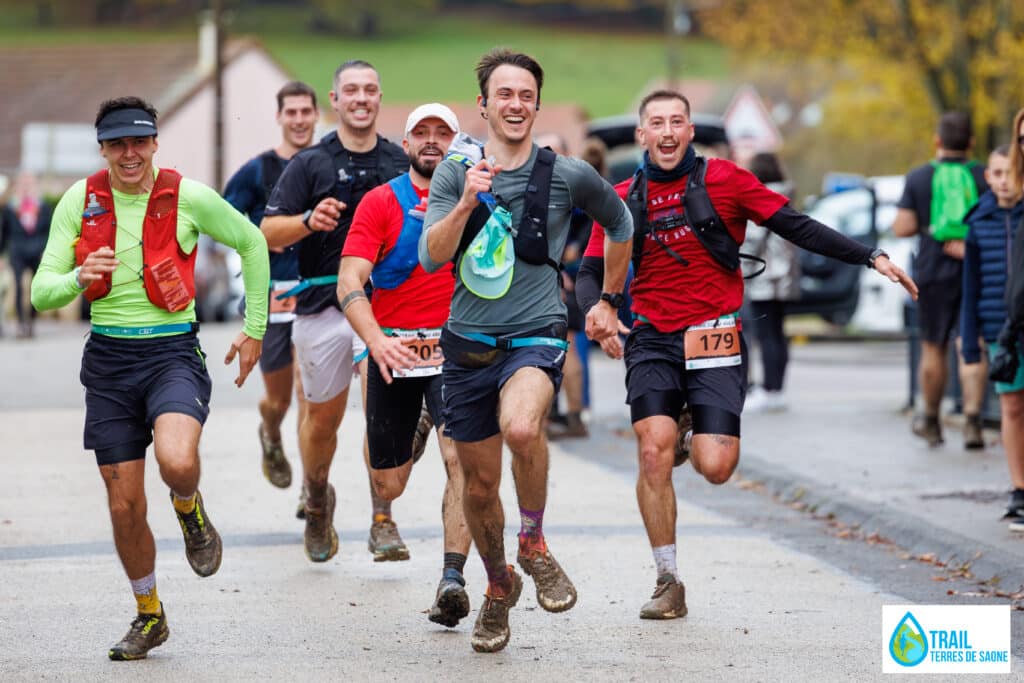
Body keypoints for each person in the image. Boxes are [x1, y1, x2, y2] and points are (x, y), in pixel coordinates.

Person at [575, 89, 916, 621]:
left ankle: (689, 432)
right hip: (653, 336)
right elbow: (590, 270)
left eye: (677, 122)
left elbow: (795, 224)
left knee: (716, 466)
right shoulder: (619, 199)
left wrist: (871, 255)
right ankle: (668, 579)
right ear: (642, 134)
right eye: (656, 123)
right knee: (651, 450)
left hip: (714, 333)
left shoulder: (728, 180)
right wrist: (597, 309)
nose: (667, 132)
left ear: (690, 131)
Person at [30, 96, 268, 659]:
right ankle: (149, 614)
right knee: (124, 506)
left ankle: (189, 509)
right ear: (103, 149)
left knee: (177, 461)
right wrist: (77, 277)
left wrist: (254, 328)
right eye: (117, 144)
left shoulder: (188, 196)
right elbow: (41, 292)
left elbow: (252, 242)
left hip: (171, 354)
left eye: (139, 141)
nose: (130, 153)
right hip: (109, 361)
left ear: (156, 143)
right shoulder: (80, 200)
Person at [419, 48, 633, 653]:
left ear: (537, 105)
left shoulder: (567, 174)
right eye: (504, 95)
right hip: (468, 343)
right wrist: (467, 201)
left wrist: (608, 298)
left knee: (520, 427)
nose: (515, 105)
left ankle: (533, 541)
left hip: (537, 332)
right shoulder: (454, 174)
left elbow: (620, 223)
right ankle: (497, 586)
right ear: (483, 105)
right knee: (479, 488)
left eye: (526, 96)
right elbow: (430, 256)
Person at [261, 60, 409, 563]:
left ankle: (382, 520)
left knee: (381, 416)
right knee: (322, 422)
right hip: (322, 308)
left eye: (370, 89)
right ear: (336, 100)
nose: (361, 98)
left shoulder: (399, 161)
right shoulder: (310, 163)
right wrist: (308, 220)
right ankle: (318, 499)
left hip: (384, 309)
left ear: (380, 97)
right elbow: (268, 232)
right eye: (352, 90)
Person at [338, 102, 474, 627]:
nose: (433, 140)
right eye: (423, 132)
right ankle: (412, 424)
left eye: (444, 133)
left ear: (458, 144)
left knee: (461, 459)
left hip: (457, 349)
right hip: (392, 348)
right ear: (406, 143)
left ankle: (452, 578)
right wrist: (374, 343)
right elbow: (349, 281)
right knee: (388, 484)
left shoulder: (475, 198)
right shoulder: (380, 202)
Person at [224, 81, 317, 490]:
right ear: (279, 116)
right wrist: (259, 240)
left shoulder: (327, 163)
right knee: (279, 399)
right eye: (290, 112)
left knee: (309, 390)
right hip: (273, 293)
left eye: (305, 111)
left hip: (317, 291)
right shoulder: (258, 170)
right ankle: (271, 431)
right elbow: (222, 217)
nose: (298, 119)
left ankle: (311, 488)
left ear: (316, 115)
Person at [894, 111, 989, 449]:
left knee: (933, 346)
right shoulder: (985, 175)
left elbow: (903, 227)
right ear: (971, 142)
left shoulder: (920, 177)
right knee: (972, 343)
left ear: (937, 140)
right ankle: (973, 422)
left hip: (932, 270)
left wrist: (928, 227)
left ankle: (931, 421)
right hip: (976, 267)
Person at [959, 145, 1024, 527]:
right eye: (996, 174)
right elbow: (970, 287)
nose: (1003, 181)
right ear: (987, 177)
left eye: (1009, 172)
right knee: (1011, 406)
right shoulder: (978, 222)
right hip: (999, 327)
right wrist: (970, 340)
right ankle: (1019, 488)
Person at [534, 132, 589, 439]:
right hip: (571, 277)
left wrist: (569, 256)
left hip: (561, 279)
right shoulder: (577, 186)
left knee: (551, 347)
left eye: (552, 150)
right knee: (566, 347)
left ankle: (547, 421)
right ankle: (572, 418)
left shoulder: (546, 188)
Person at [740, 152, 800, 412]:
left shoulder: (761, 197)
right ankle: (778, 389)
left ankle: (768, 389)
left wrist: (741, 269)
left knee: (765, 334)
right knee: (778, 332)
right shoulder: (787, 196)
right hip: (785, 276)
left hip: (764, 276)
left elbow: (754, 239)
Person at [1, 170, 53, 338]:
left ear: (35, 185)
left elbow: (48, 232)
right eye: (23, 183)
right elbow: (4, 233)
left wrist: (46, 251)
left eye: (29, 183)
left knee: (35, 288)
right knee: (18, 286)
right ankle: (20, 323)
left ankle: (31, 321)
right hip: (17, 252)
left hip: (37, 252)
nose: (26, 186)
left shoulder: (43, 207)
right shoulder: (10, 208)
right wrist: (1, 255)